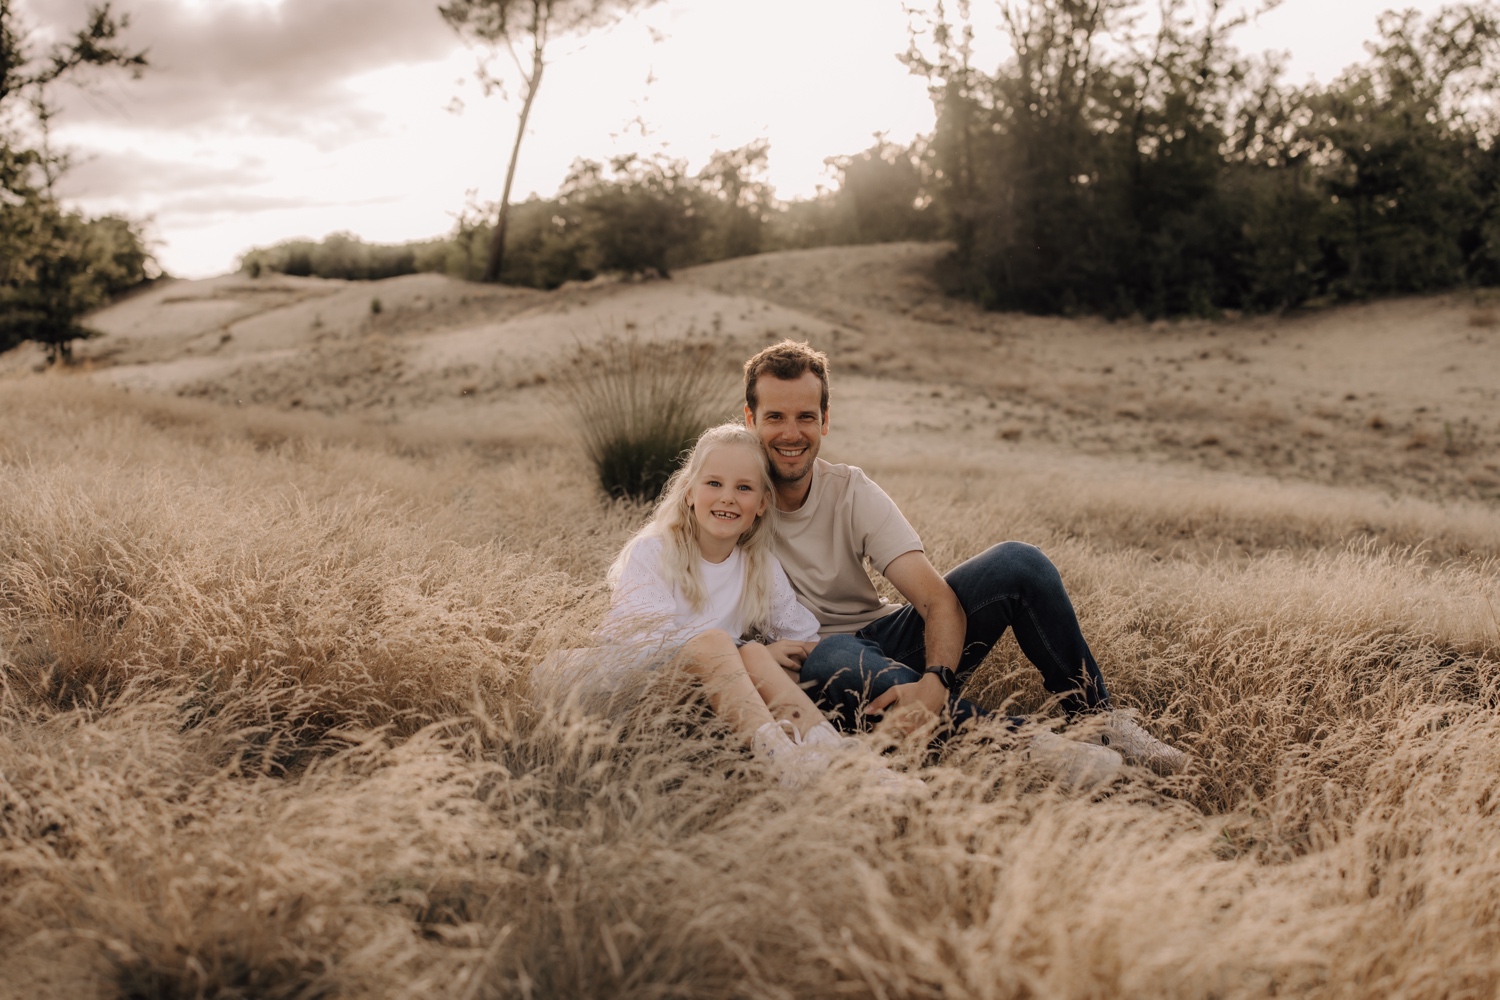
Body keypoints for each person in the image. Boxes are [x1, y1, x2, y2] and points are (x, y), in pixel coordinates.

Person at [741, 339, 1189, 787]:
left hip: (887, 643)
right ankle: (1035, 748)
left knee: (1019, 563)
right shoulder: (724, 499)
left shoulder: (850, 491)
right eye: (775, 417)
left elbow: (936, 601)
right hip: (815, 675)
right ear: (749, 419)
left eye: (806, 417)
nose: (791, 433)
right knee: (832, 654)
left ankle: (1099, 720)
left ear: (825, 421)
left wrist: (935, 681)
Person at [599, 421, 920, 793]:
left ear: (762, 504)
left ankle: (839, 759)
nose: (727, 498)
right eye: (714, 484)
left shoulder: (758, 565)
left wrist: (768, 655)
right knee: (725, 646)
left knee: (760, 658)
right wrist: (748, 652)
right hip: (635, 687)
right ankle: (786, 764)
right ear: (688, 492)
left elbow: (803, 641)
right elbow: (643, 642)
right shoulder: (654, 552)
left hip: (712, 696)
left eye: (744, 488)